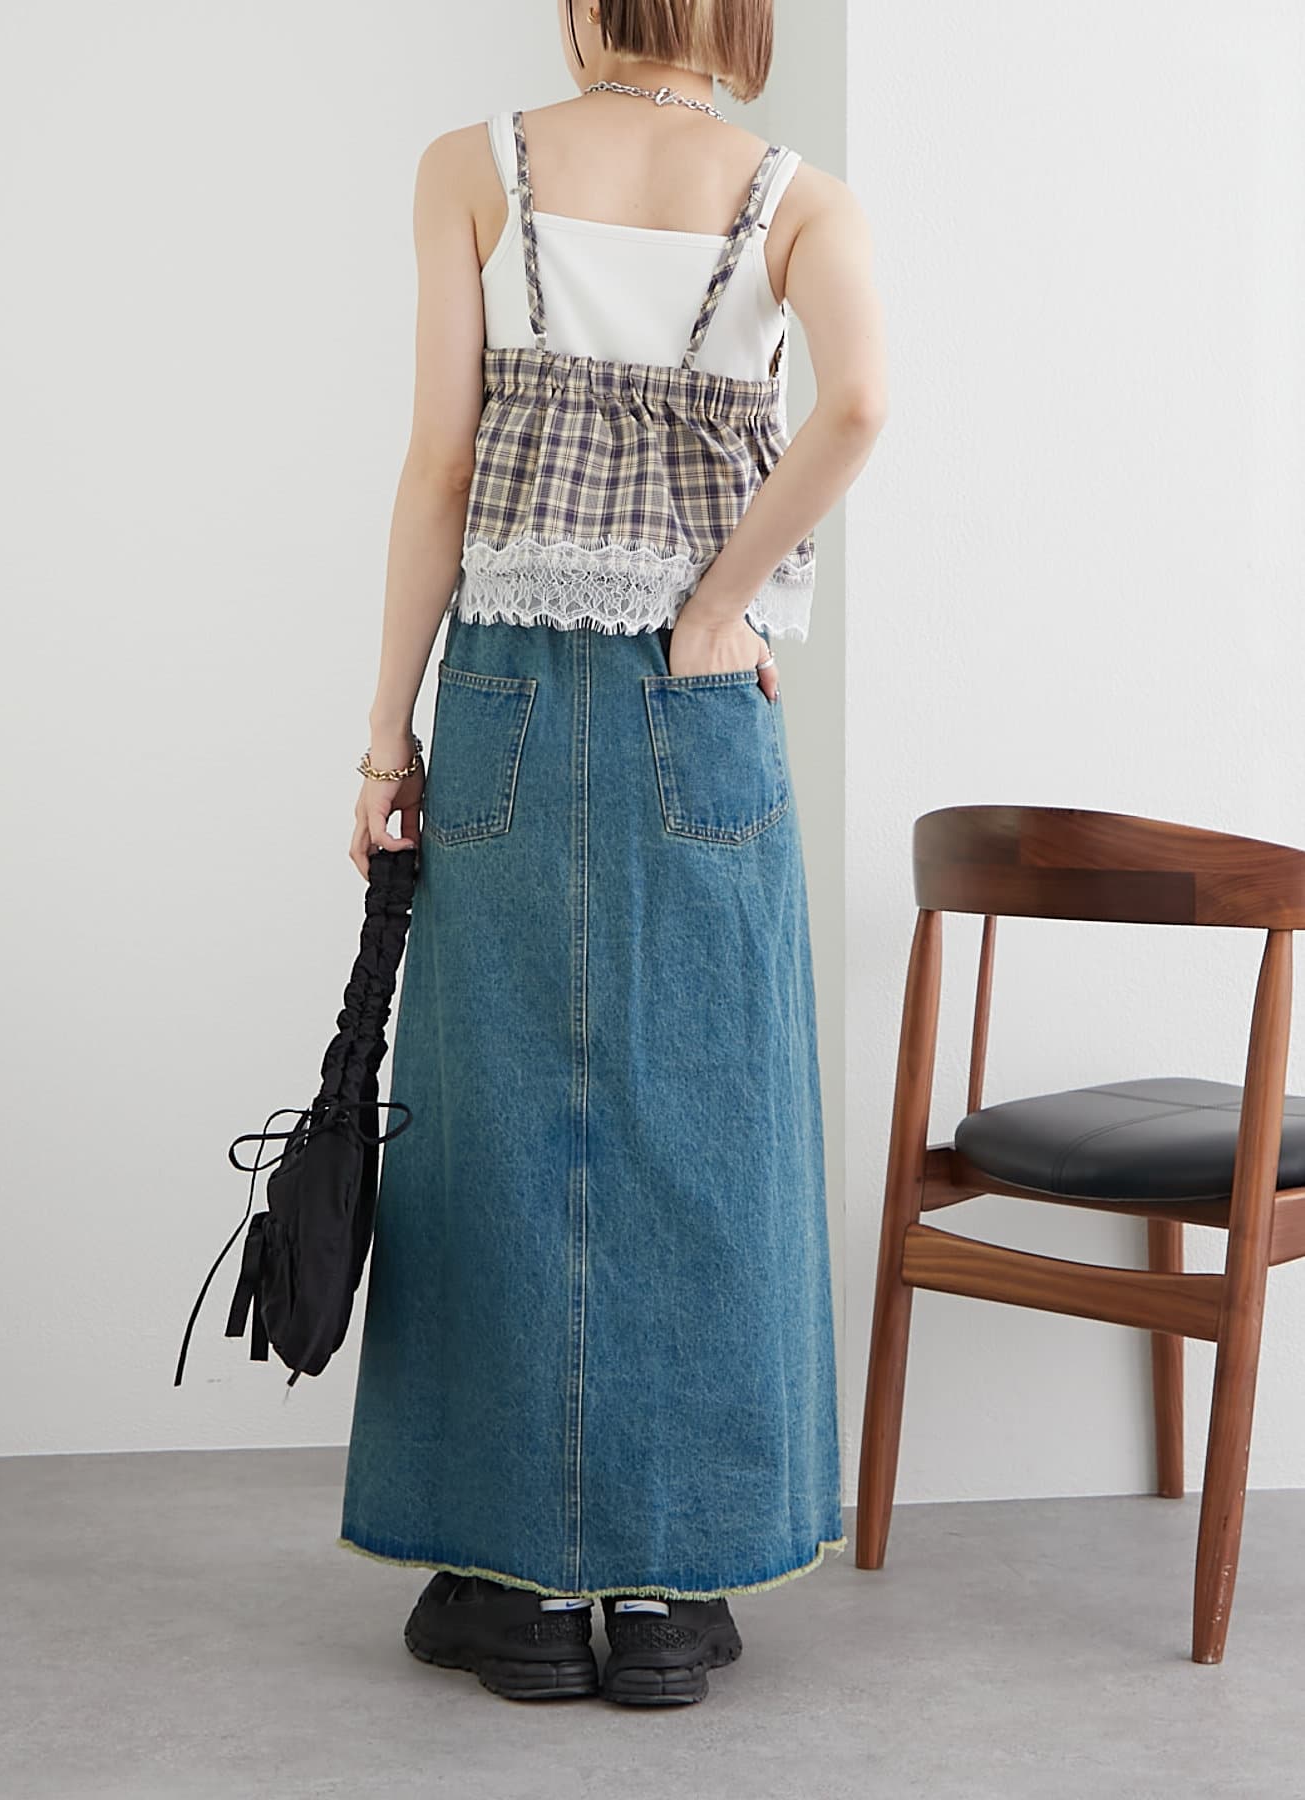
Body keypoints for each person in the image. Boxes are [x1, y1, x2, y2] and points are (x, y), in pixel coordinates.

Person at [338, 0, 888, 1708]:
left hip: (503, 695)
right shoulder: (796, 197)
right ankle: (664, 1593)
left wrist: (385, 740)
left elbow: (440, 465)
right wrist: (721, 604)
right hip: (698, 711)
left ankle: (513, 1590)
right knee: (706, 1120)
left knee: (490, 1129)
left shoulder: (473, 170)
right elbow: (862, 404)